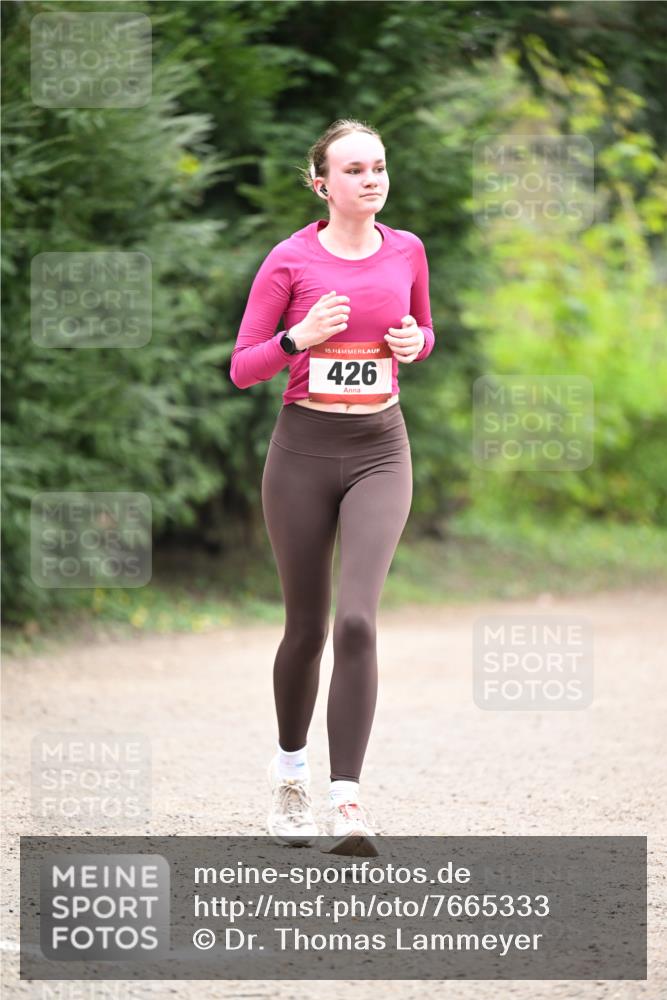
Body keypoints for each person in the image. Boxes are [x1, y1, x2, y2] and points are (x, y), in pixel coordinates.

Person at [230, 118, 435, 856]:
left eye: (378, 167)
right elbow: (243, 365)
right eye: (353, 170)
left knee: (357, 621)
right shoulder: (289, 260)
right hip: (303, 452)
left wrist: (415, 342)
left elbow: (422, 331)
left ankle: (347, 799)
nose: (370, 179)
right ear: (322, 182)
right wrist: (298, 338)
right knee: (307, 627)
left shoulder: (406, 249)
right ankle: (290, 779)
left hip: (381, 447)